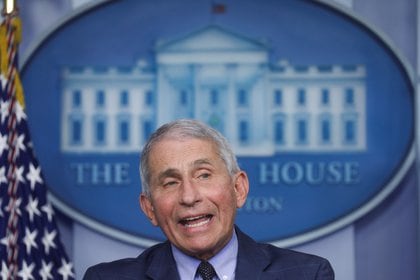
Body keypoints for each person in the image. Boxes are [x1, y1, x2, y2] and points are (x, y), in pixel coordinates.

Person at [83, 119, 334, 280]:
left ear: (239, 188)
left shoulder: (307, 275)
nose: (189, 196)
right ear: (149, 208)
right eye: (170, 182)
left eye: (203, 175)